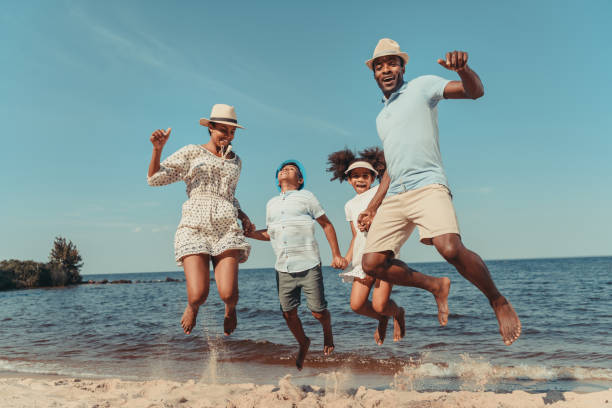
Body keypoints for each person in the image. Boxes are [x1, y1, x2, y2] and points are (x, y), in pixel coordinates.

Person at [358, 38, 521, 345]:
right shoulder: (381, 117)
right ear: (374, 74)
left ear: (402, 67)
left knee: (449, 248)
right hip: (395, 195)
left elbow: (475, 92)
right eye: (379, 66)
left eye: (392, 63)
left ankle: (497, 300)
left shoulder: (422, 87)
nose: (386, 69)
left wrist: (464, 70)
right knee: (372, 264)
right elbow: (392, 166)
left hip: (427, 184)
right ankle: (435, 285)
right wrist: (374, 205)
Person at [147, 104, 254, 336]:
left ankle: (230, 309)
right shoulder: (192, 152)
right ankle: (193, 307)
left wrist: (243, 215)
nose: (227, 136)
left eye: (232, 132)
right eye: (222, 130)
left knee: (229, 293)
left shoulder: (237, 161)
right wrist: (158, 150)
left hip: (225, 226)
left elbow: (229, 196)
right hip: (195, 224)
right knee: (199, 294)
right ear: (211, 128)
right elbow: (154, 178)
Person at [327, 147, 450, 345]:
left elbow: (393, 184)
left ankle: (397, 313)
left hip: (382, 254)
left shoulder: (379, 192)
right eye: (356, 176)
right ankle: (382, 318)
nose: (360, 179)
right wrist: (346, 259)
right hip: (360, 259)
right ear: (348, 179)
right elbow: (355, 236)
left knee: (380, 304)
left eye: (365, 175)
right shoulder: (349, 205)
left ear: (374, 177)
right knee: (357, 305)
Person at [246, 160, 347, 370]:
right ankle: (304, 342)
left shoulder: (306, 196)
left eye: (292, 169)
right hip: (283, 267)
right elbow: (270, 233)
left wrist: (336, 254)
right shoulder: (271, 203)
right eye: (282, 169)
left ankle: (327, 333)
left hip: (309, 263)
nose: (285, 170)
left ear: (299, 180)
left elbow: (326, 225)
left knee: (318, 312)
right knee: (288, 313)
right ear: (277, 179)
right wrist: (250, 234)